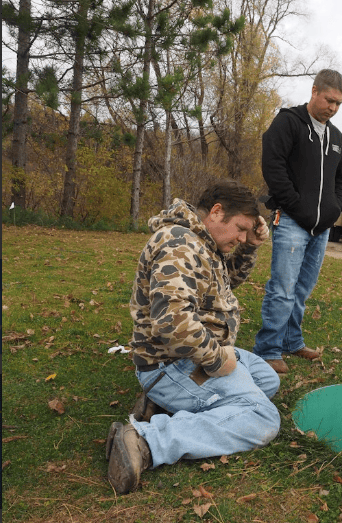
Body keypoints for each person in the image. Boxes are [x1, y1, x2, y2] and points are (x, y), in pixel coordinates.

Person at [106, 180, 281, 495]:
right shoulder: (179, 244)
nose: (241, 236)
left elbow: (228, 281)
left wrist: (251, 245)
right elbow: (171, 321)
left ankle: (163, 405)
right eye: (240, 228)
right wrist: (216, 361)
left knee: (267, 381)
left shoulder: (201, 242)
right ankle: (145, 441)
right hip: (170, 364)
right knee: (262, 415)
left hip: (193, 356)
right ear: (216, 212)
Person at [253, 69, 342, 374]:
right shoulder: (288, 122)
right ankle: (268, 348)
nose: (333, 108)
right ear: (314, 91)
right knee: (282, 287)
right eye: (329, 100)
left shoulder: (336, 137)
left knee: (303, 289)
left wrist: (334, 209)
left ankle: (292, 341)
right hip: (292, 221)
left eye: (338, 104)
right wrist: (295, 205)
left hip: (321, 228)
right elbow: (273, 165)